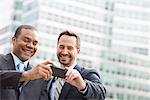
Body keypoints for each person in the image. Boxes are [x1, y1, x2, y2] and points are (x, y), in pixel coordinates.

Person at [47, 30, 106, 100]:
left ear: (78, 52)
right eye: (61, 47)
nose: (64, 52)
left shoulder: (87, 74)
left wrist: (82, 85)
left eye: (70, 48)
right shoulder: (52, 77)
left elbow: (101, 94)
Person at [0, 25, 53, 100]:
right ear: (14, 40)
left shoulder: (39, 76)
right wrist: (26, 75)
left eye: (34, 43)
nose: (31, 46)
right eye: (26, 40)